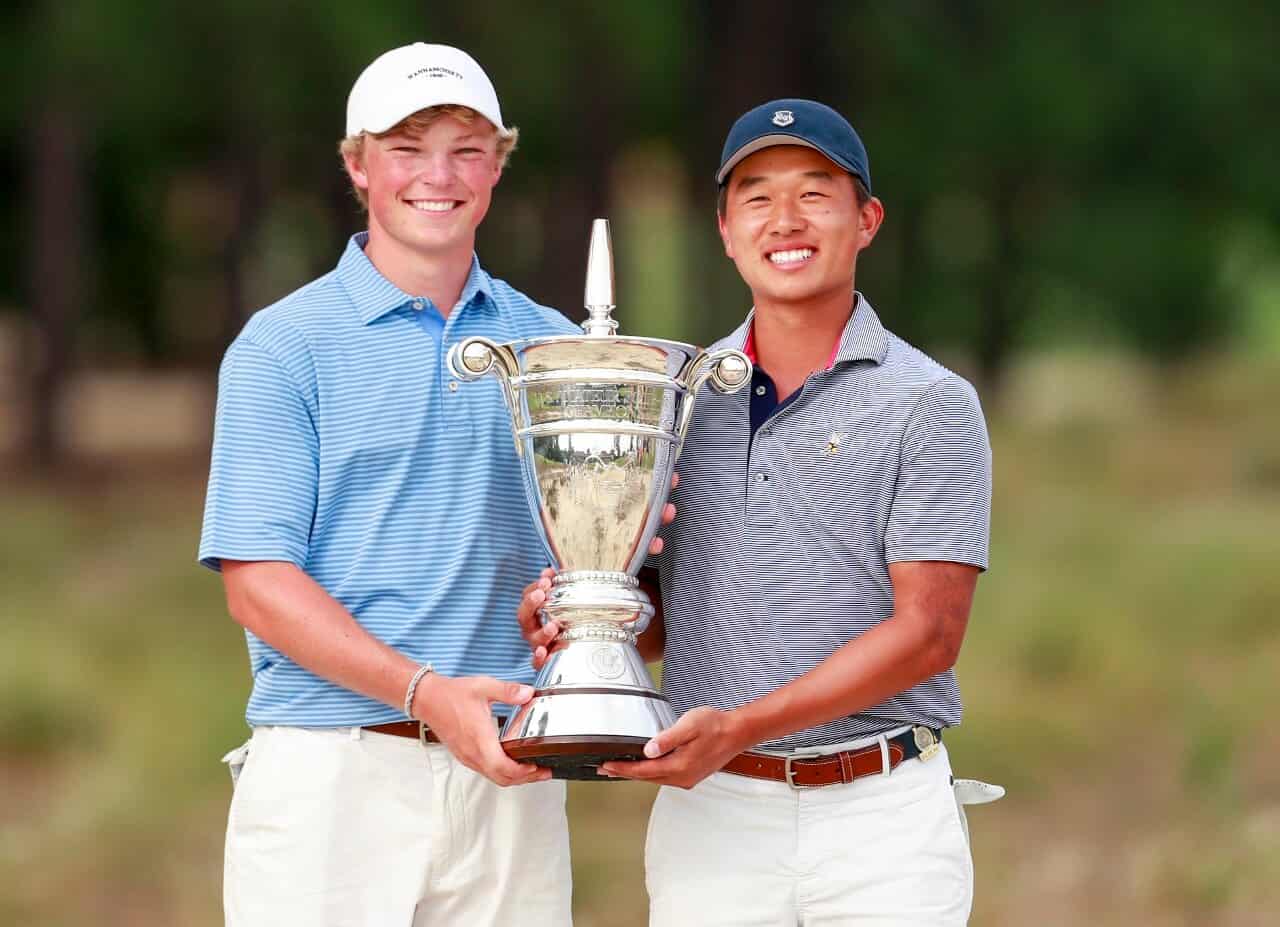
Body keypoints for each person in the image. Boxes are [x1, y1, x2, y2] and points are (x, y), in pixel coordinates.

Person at [521, 99, 1000, 925]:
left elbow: (930, 633)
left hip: (881, 819)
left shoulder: (931, 402)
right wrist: (592, 617)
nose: (785, 219)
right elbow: (671, 620)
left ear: (867, 220)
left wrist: (740, 725)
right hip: (713, 820)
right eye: (756, 196)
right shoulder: (675, 402)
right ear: (725, 228)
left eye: (816, 193)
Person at [199, 42, 585, 926]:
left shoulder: (557, 346)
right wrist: (425, 693)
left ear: (497, 165)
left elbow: (593, 558)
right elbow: (258, 586)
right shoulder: (282, 347)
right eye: (408, 147)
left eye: (466, 147)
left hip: (508, 771)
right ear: (358, 165)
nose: (437, 175)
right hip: (332, 778)